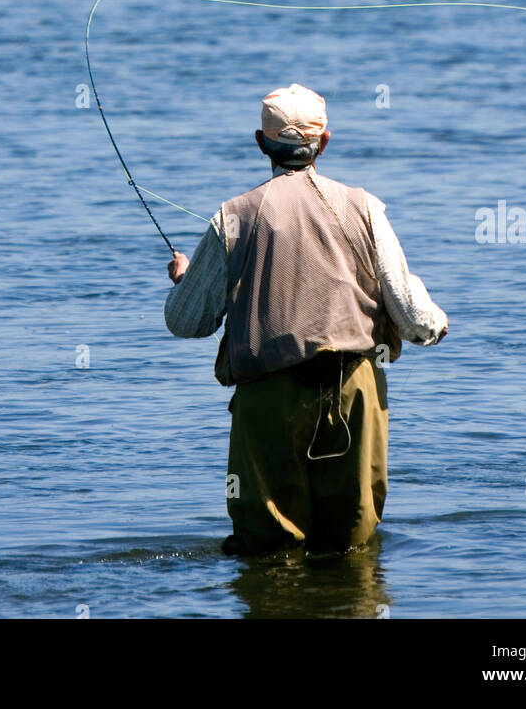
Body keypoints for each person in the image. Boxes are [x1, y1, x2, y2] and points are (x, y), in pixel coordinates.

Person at [163, 84, 449, 554]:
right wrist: (436, 324)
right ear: (326, 141)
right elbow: (414, 318)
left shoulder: (231, 217)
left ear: (261, 143)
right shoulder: (366, 208)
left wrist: (185, 280)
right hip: (354, 391)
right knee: (351, 547)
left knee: (268, 552)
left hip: (267, 398)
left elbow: (186, 321)